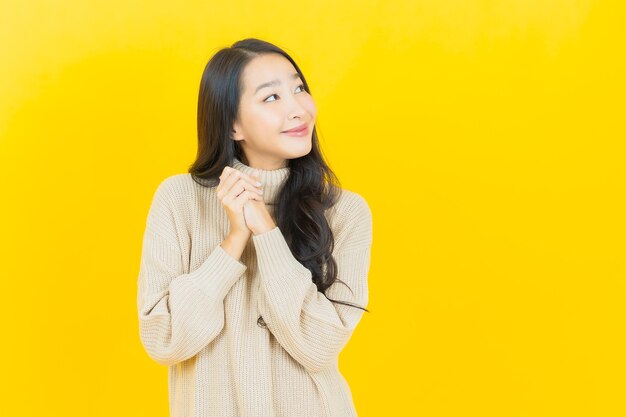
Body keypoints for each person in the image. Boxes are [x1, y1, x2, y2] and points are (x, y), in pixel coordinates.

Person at [136, 38, 373, 417]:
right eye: (271, 98)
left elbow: (318, 345)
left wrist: (265, 231)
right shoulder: (180, 199)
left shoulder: (345, 212)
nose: (298, 109)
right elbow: (165, 340)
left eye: (298, 88)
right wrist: (233, 242)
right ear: (232, 125)